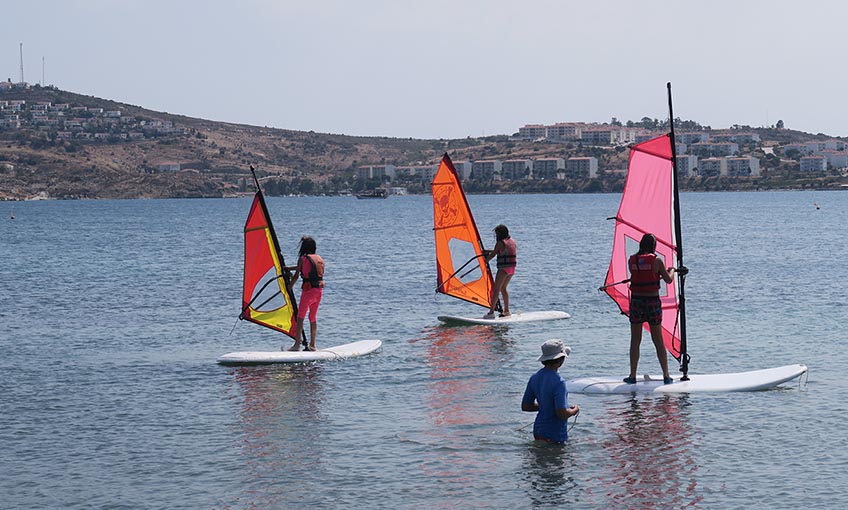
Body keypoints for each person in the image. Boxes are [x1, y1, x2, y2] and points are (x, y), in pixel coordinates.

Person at [624, 233, 679, 385]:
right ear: (654, 246)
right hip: (652, 302)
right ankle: (666, 376)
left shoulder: (631, 260)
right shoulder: (657, 261)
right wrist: (672, 269)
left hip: (636, 301)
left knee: (635, 340)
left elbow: (639, 273)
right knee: (658, 340)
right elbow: (668, 279)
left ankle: (632, 375)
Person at [521, 339, 580, 444]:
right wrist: (574, 410)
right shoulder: (559, 382)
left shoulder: (534, 378)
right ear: (560, 360)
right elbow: (561, 414)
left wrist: (545, 406)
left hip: (538, 430)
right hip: (554, 433)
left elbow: (526, 406)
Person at [286, 236, 325, 352]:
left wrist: (289, 287)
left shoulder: (302, 259)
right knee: (312, 317)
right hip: (318, 291)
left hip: (307, 292)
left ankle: (297, 345)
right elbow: (306, 269)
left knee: (300, 317)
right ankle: (313, 345)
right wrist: (289, 268)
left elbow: (297, 275)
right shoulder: (319, 259)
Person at [483, 224, 516, 319]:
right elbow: (498, 251)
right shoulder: (512, 241)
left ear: (500, 234)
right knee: (503, 289)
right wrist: (487, 251)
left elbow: (494, 254)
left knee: (496, 289)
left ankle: (491, 313)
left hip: (503, 269)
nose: (496, 236)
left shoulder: (500, 243)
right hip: (512, 268)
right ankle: (506, 311)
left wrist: (485, 261)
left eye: (497, 234)